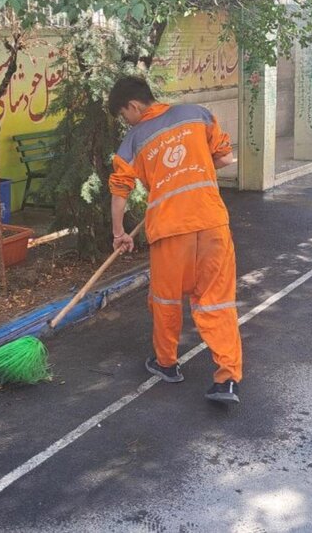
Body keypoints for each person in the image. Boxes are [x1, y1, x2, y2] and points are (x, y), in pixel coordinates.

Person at [107, 76, 242, 404]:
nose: (126, 121)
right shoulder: (197, 114)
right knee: (216, 300)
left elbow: (119, 191)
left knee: (166, 300)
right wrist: (191, 168)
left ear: (134, 106)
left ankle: (166, 364)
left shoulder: (134, 139)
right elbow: (224, 159)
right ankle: (226, 380)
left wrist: (118, 233)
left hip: (169, 231)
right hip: (212, 223)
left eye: (123, 115)